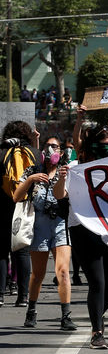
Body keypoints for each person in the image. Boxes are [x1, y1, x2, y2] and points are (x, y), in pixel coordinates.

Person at [54, 109, 108, 350]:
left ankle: (97, 314)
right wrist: (63, 178)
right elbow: (58, 195)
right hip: (83, 228)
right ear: (93, 145)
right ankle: (97, 331)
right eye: (105, 144)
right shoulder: (75, 166)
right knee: (98, 282)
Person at [16, 135, 76, 330]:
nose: (52, 150)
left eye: (56, 147)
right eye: (49, 146)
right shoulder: (33, 170)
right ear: (42, 151)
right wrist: (31, 179)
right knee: (38, 274)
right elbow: (16, 196)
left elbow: (60, 196)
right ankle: (31, 310)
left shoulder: (65, 171)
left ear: (61, 151)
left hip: (60, 224)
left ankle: (66, 316)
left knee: (63, 271)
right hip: (39, 225)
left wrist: (62, 177)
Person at [0, 120, 37, 309]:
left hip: (3, 206)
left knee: (1, 252)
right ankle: (23, 296)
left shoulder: (2, 152)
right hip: (24, 206)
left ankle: (0, 295)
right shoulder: (33, 153)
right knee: (22, 251)